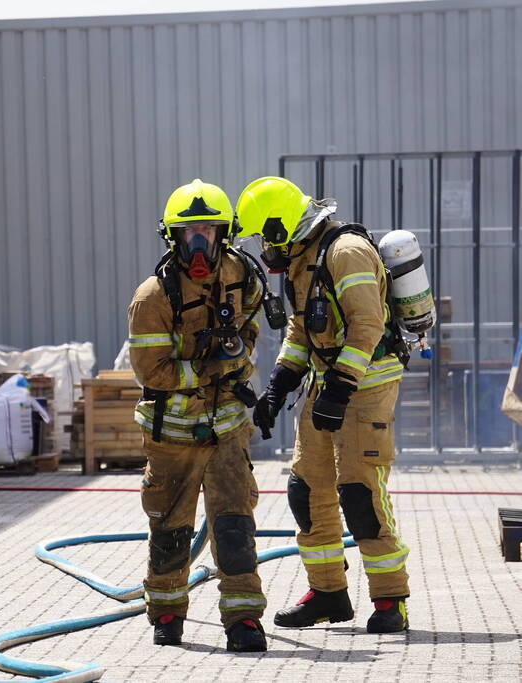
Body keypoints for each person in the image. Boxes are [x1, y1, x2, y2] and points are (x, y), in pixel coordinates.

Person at [234, 176, 410, 633]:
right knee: (307, 489)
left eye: (262, 236)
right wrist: (279, 383)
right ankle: (328, 592)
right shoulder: (303, 256)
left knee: (359, 491)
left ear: (280, 226)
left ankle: (391, 599)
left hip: (366, 384)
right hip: (325, 383)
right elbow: (301, 329)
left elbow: (366, 325)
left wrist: (340, 388)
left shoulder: (345, 251)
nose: (263, 248)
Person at [127, 179, 267, 652]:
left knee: (234, 527)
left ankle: (244, 621)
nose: (200, 244)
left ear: (224, 233)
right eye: (190, 234)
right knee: (170, 528)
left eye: (208, 231)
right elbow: (153, 371)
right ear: (173, 237)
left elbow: (248, 336)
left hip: (227, 428)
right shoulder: (152, 297)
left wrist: (235, 355)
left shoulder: (243, 277)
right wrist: (210, 367)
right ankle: (167, 614)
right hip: (172, 436)